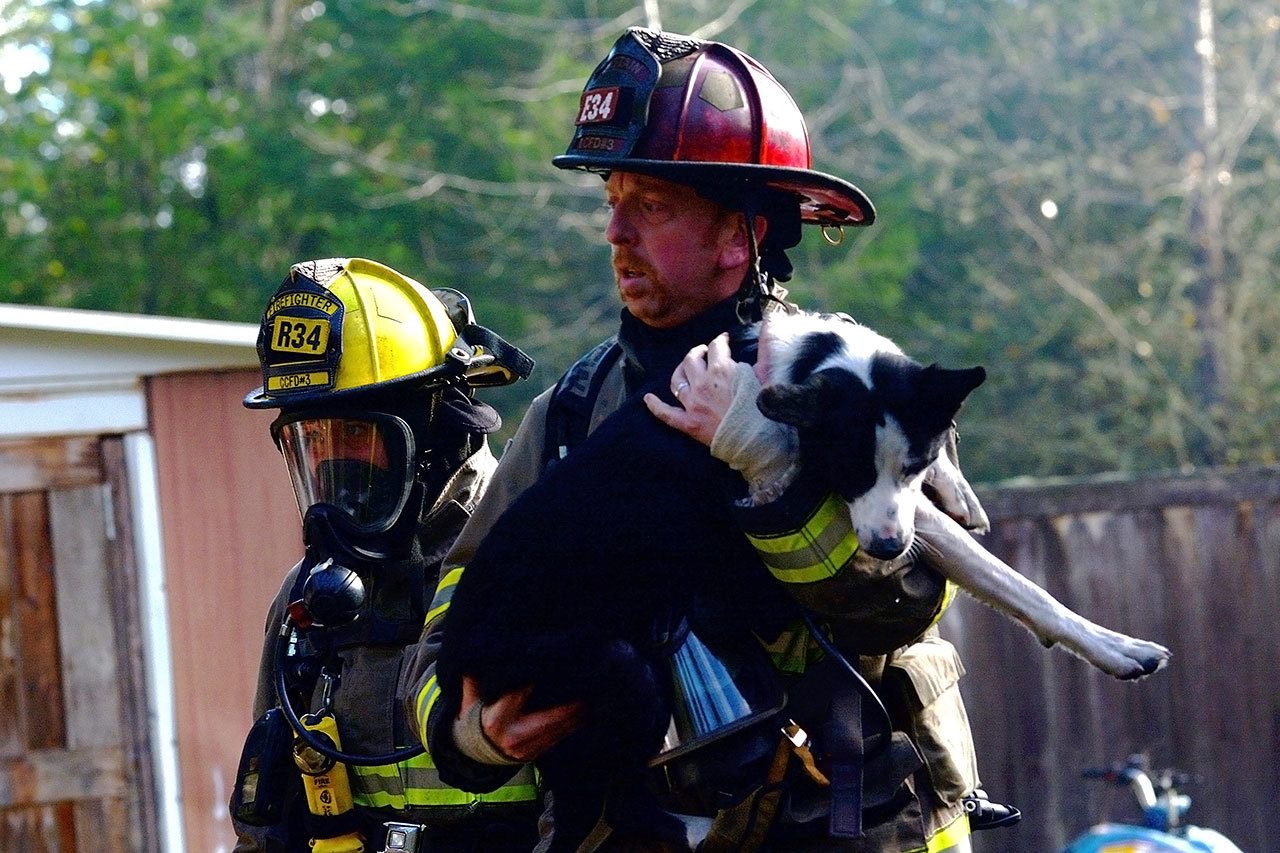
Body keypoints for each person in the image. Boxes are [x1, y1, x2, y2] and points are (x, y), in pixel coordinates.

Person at [404, 28, 1016, 852]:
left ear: (743, 235)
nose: (615, 232)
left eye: (651, 206)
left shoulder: (862, 392)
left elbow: (904, 601)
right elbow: (454, 614)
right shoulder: (571, 417)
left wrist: (768, 467)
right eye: (611, 200)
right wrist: (470, 731)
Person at [230, 258, 542, 853]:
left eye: (354, 435)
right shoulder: (307, 602)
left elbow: (601, 814)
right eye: (310, 442)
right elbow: (265, 831)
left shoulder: (532, 571)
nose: (331, 465)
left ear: (436, 433)